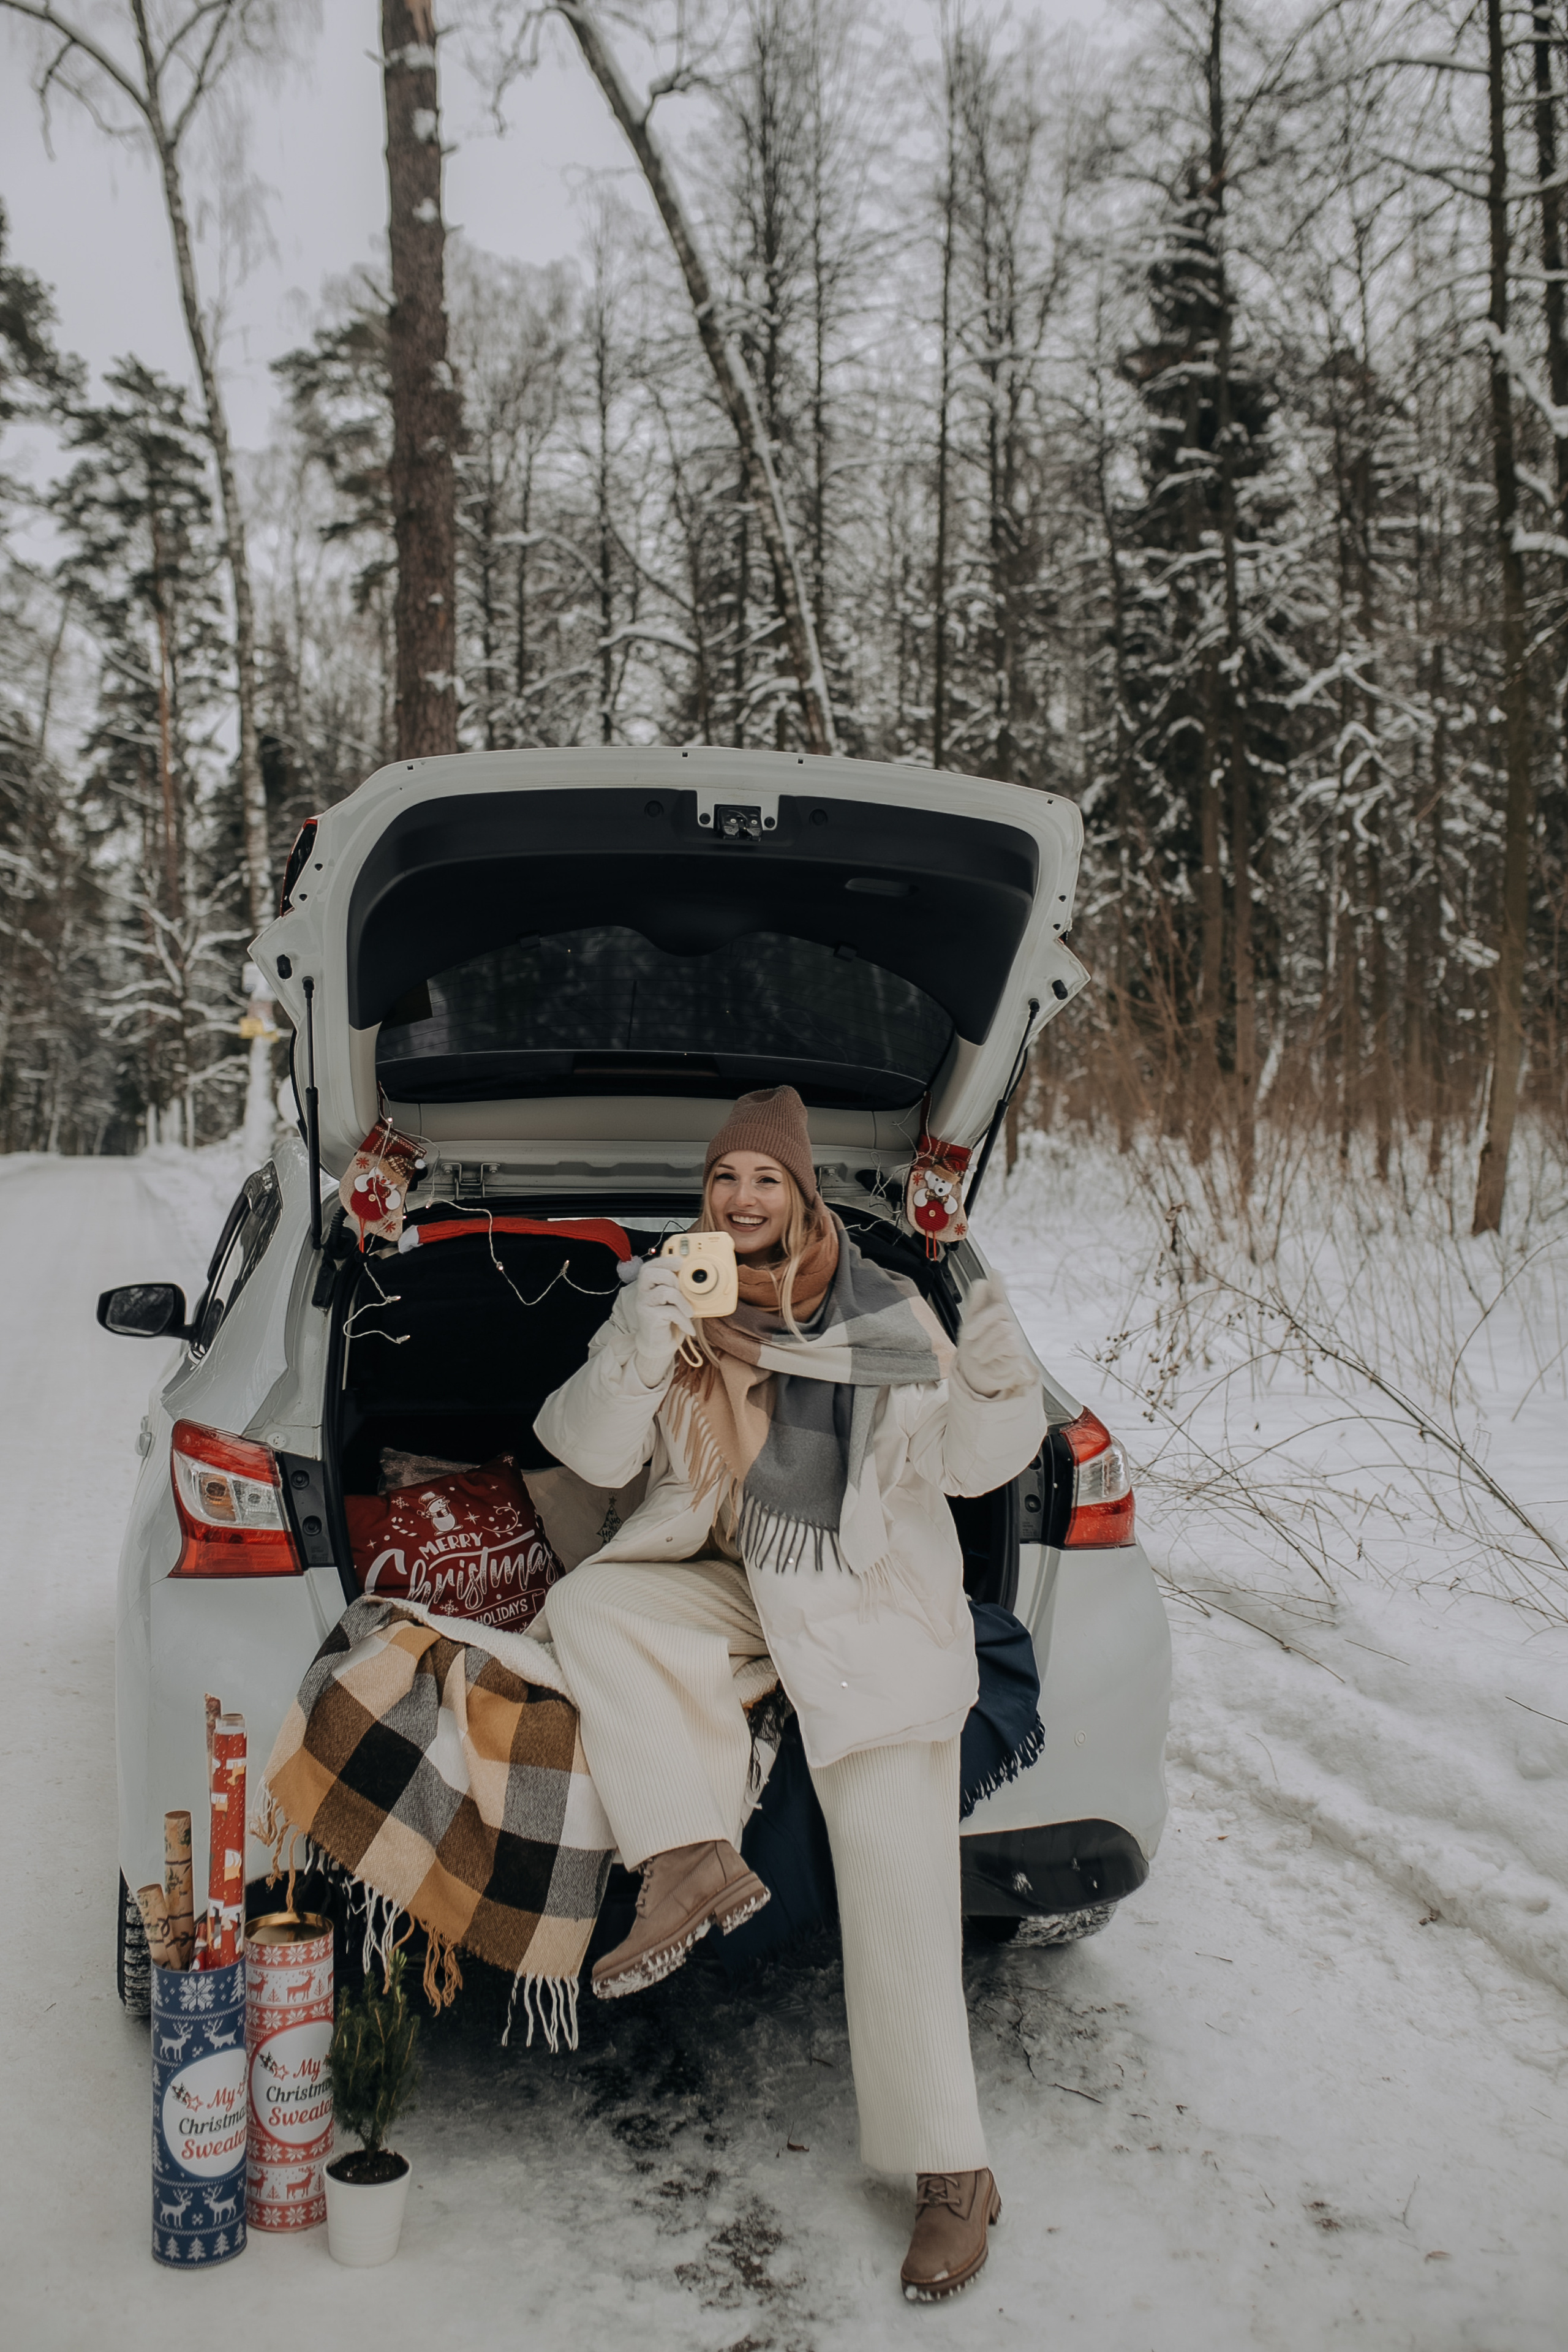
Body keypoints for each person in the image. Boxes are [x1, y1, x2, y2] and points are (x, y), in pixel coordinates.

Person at [533, 1086, 1046, 2304]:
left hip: (860, 1608)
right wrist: (634, 1347)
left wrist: (992, 1387)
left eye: (764, 1180)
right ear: (706, 1201)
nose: (742, 1199)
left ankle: (953, 2176)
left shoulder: (882, 1315)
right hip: (727, 1585)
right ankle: (686, 1859)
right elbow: (587, 1455)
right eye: (724, 1182)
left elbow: (970, 1470)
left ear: (802, 1196)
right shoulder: (678, 1308)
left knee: (898, 1882)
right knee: (593, 1606)